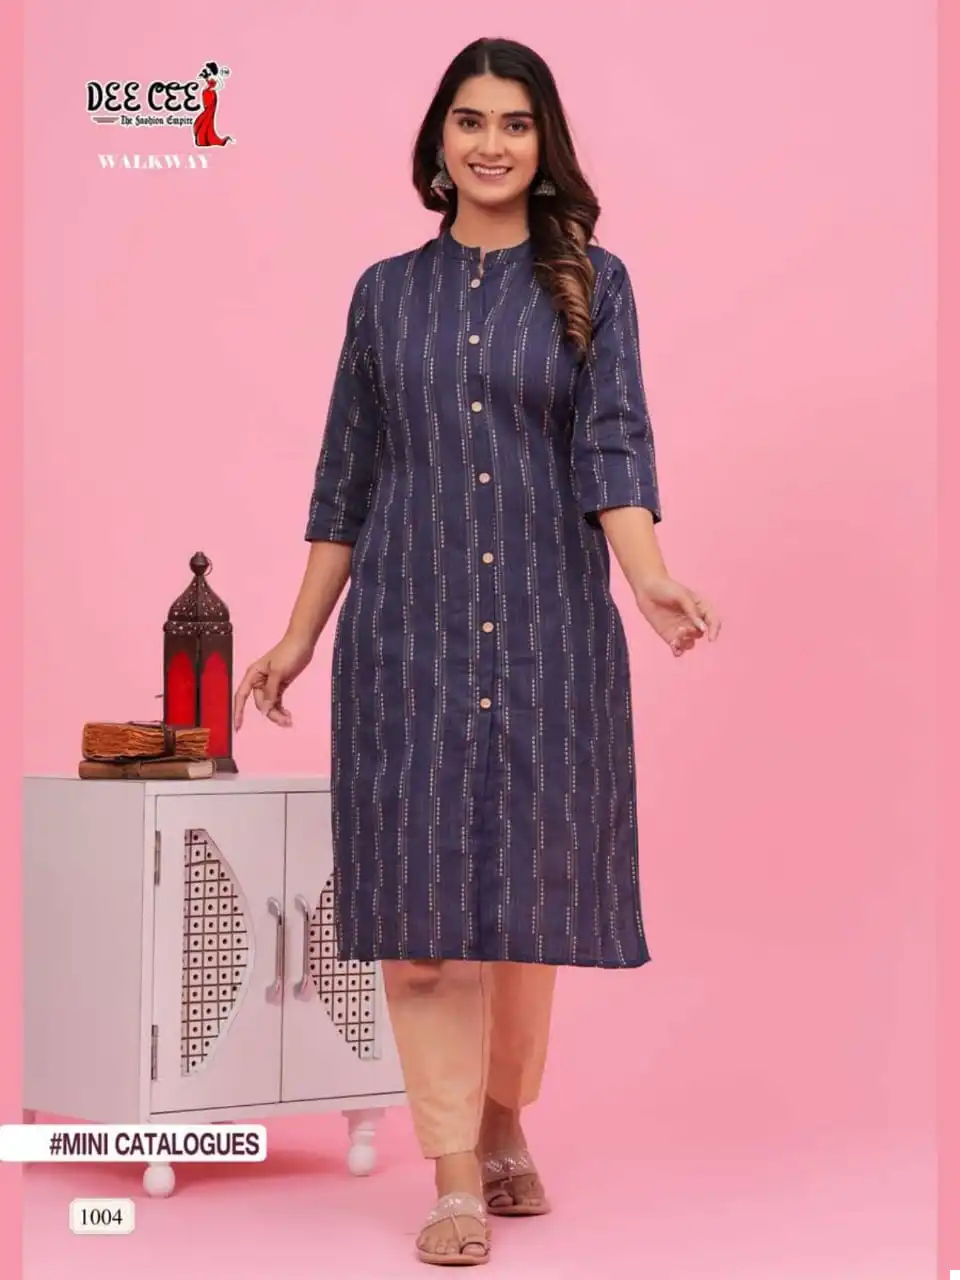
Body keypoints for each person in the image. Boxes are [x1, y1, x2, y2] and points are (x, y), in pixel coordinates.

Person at [234, 35, 721, 1267]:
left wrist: (650, 577)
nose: (490, 143)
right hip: (407, 637)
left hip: (549, 636)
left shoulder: (593, 282)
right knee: (423, 917)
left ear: (543, 142)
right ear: (438, 141)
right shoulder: (383, 294)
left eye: (513, 122)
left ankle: (506, 1113)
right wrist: (298, 632)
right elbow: (347, 478)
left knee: (520, 910)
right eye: (469, 120)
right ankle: (453, 1172)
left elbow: (614, 449)